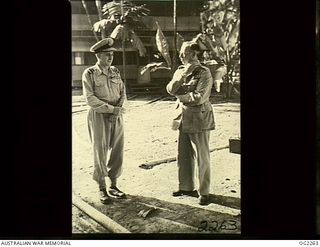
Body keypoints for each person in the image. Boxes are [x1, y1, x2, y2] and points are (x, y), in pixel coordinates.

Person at [166, 41, 215, 206]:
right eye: (180, 53)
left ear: (194, 55)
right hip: (182, 118)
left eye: (184, 53)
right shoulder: (180, 71)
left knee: (202, 157)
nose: (180, 56)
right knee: (184, 154)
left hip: (199, 119)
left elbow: (199, 97)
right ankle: (186, 187)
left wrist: (180, 96)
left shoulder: (204, 73)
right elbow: (170, 89)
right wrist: (181, 77)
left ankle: (204, 192)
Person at [82, 37, 126, 204]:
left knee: (118, 150)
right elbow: (90, 99)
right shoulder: (90, 73)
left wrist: (118, 110)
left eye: (112, 54)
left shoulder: (115, 71)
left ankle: (114, 185)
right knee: (99, 151)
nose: (110, 57)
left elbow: (123, 92)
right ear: (98, 55)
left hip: (117, 116)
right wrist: (111, 109)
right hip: (99, 116)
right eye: (107, 54)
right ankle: (102, 187)